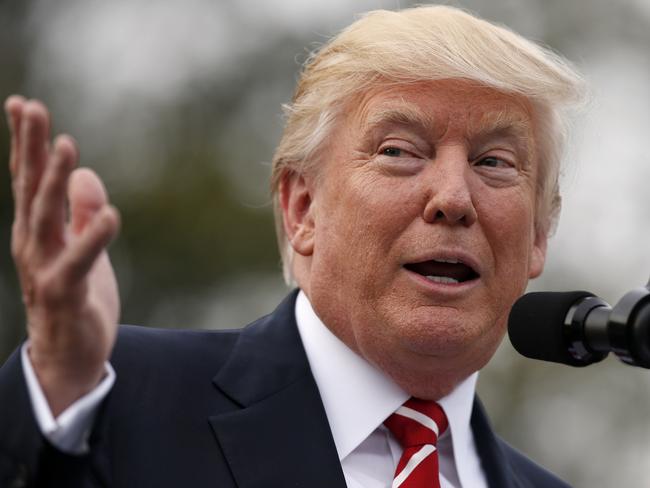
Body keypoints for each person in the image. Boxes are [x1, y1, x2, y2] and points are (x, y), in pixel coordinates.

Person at [0, 5, 584, 488]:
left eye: (494, 163)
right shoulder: (116, 400)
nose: (453, 197)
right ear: (303, 209)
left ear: (537, 237)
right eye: (399, 151)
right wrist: (55, 384)